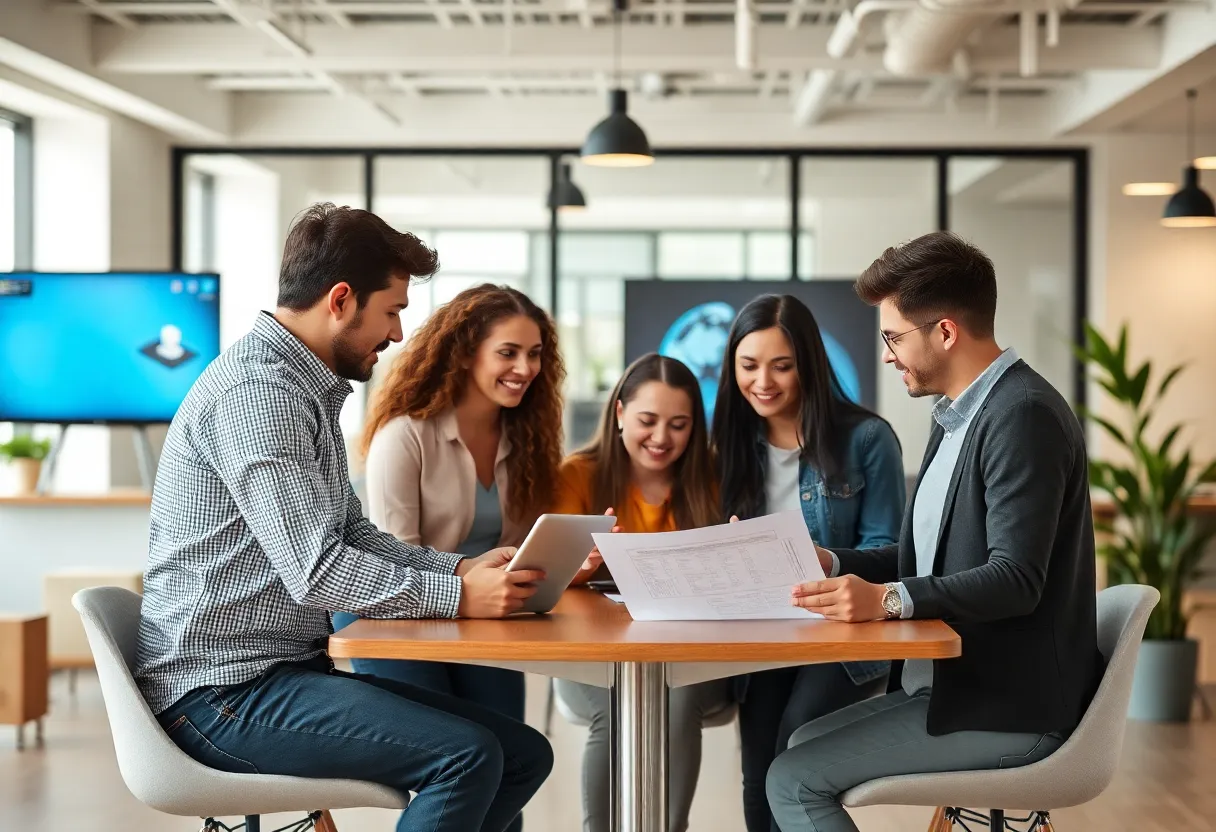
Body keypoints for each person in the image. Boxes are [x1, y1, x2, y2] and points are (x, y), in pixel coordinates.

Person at [134, 204, 554, 832]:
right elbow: (319, 570)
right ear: (340, 300)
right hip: (222, 694)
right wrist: (460, 593)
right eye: (392, 311)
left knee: (524, 755)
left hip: (280, 674)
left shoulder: (302, 390)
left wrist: (461, 566)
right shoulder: (259, 395)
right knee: (467, 758)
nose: (398, 334)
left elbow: (353, 536)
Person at [765, 231, 1103, 832]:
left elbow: (1016, 579)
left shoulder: (1021, 414)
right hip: (956, 690)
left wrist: (888, 599)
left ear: (945, 331)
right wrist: (834, 564)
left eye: (895, 336)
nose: (889, 354)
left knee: (792, 780)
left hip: (1008, 708)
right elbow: (932, 559)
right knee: (797, 744)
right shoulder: (960, 413)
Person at [331, 283, 564, 832]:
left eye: (534, 354)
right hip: (397, 620)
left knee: (513, 764)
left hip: (482, 623)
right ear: (463, 352)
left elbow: (518, 544)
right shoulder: (405, 435)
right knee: (460, 770)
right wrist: (471, 587)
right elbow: (391, 558)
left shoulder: (525, 438)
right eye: (508, 352)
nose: (525, 368)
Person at [710, 294, 906, 832]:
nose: (763, 382)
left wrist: (826, 559)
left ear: (808, 365)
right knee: (757, 774)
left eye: (782, 365)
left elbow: (896, 554)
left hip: (840, 637)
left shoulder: (866, 439)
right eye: (749, 366)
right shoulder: (729, 444)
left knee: (793, 747)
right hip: (761, 632)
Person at [553, 353, 733, 832]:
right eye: (647, 421)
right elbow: (547, 578)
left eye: (678, 424)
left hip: (691, 650)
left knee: (676, 698)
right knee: (611, 709)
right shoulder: (578, 475)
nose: (661, 439)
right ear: (618, 414)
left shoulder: (712, 478)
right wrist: (580, 566)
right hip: (592, 649)